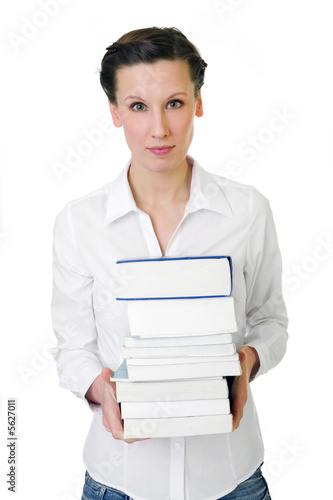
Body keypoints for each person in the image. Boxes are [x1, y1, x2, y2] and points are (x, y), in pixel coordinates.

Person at [51, 27, 288, 500]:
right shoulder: (80, 223)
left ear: (198, 103)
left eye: (175, 103)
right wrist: (100, 390)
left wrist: (248, 362)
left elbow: (271, 320)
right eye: (138, 106)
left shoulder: (247, 211)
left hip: (231, 479)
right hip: (120, 482)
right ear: (115, 112)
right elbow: (72, 349)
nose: (159, 129)